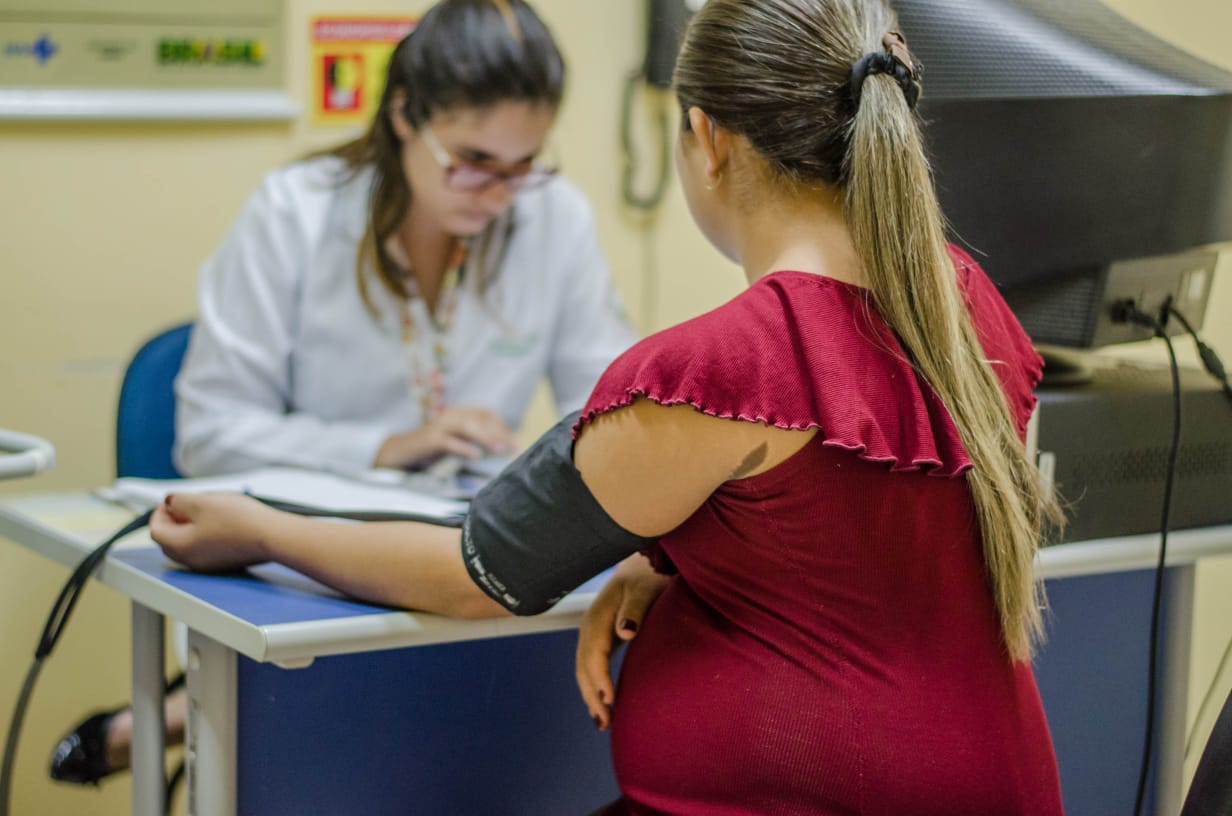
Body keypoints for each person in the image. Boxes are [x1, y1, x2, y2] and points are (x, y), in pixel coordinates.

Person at [145, 0, 1067, 812]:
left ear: (705, 139)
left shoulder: (722, 365)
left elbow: (475, 573)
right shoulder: (965, 303)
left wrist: (262, 531)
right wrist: (669, 557)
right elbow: (847, 538)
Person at [48, 0, 635, 788]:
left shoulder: (552, 217)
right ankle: (196, 710)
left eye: (522, 164)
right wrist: (382, 448)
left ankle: (182, 711)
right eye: (471, 160)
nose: (497, 193)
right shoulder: (296, 211)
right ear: (404, 115)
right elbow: (210, 432)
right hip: (307, 557)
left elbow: (606, 408)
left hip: (461, 549)